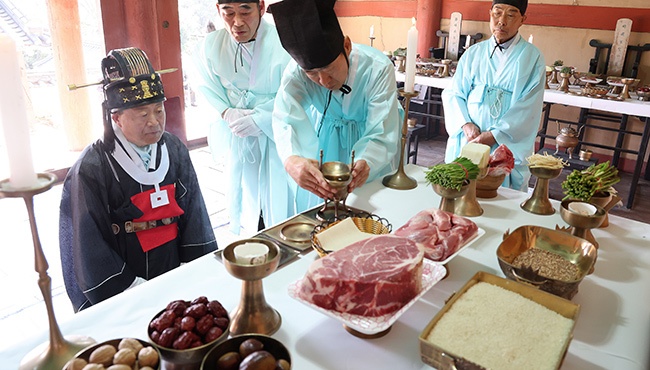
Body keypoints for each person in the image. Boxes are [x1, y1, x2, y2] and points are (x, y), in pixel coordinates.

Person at [59, 47, 218, 312]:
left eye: (159, 110)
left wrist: (192, 269)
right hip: (126, 287)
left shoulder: (174, 148)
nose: (155, 122)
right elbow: (88, 242)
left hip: (176, 271)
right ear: (117, 118)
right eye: (143, 114)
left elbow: (194, 212)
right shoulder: (91, 166)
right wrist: (132, 289)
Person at [269, 0, 402, 213]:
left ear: (346, 46)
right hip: (328, 138)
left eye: (328, 69)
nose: (324, 81)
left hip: (370, 139)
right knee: (324, 205)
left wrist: (367, 160)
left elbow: (381, 129)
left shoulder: (377, 68)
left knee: (368, 206)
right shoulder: (296, 72)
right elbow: (285, 116)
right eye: (312, 74)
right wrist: (292, 158)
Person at [193, 0, 292, 233]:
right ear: (219, 11)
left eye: (245, 11)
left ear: (261, 7)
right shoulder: (211, 45)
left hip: (276, 131)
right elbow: (204, 85)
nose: (237, 22)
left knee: (279, 193)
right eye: (228, 13)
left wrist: (262, 118)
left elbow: (297, 91)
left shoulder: (285, 40)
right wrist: (226, 111)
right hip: (239, 132)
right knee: (245, 192)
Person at [441, 0, 545, 191]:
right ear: (490, 14)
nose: (502, 21)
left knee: (497, 197)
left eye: (511, 15)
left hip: (502, 141)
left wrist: (493, 135)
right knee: (461, 191)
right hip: (468, 138)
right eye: (497, 13)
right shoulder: (474, 52)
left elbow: (528, 107)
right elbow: (454, 93)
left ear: (523, 19)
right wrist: (465, 124)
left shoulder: (532, 58)